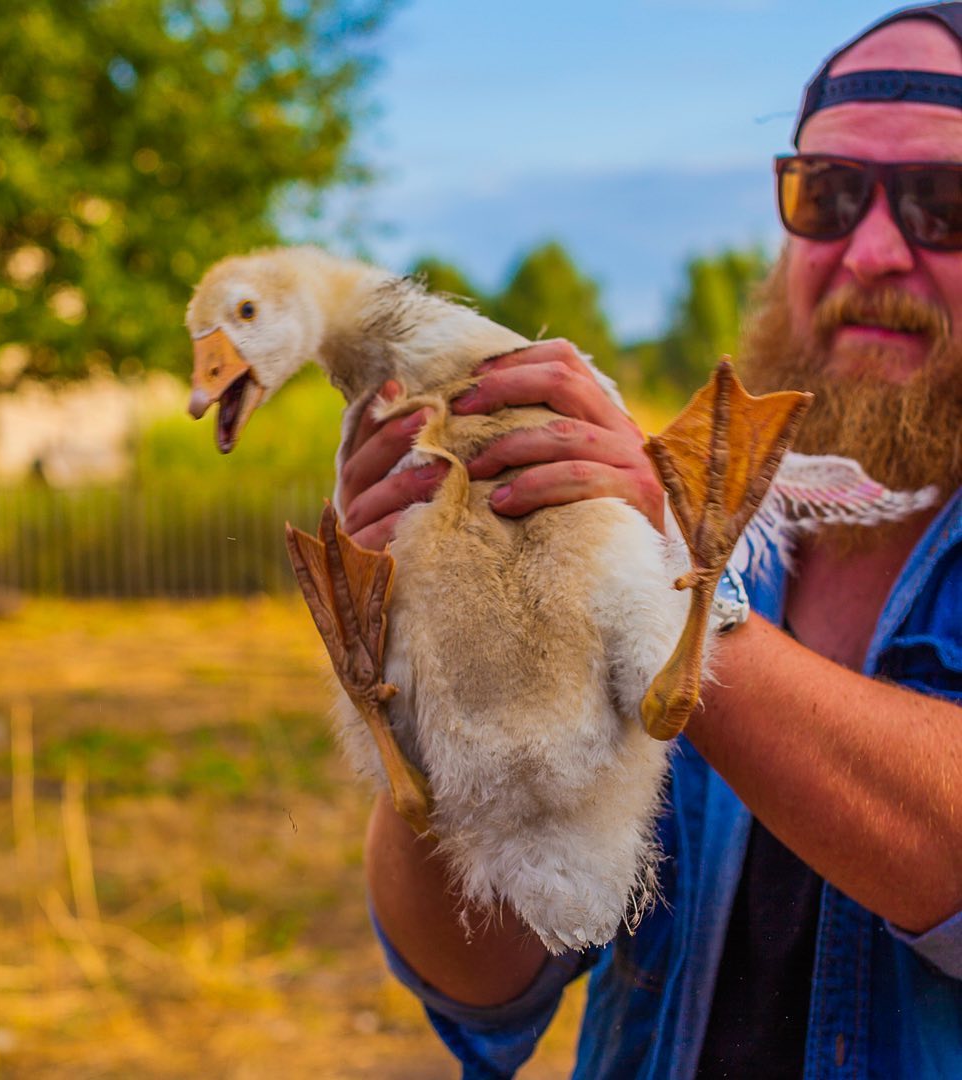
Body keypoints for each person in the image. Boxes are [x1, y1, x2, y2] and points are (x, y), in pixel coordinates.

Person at [339, 6, 962, 1077]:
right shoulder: (689, 508)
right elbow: (480, 978)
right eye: (827, 193)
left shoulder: (658, 543)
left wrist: (659, 597)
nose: (870, 248)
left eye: (945, 204)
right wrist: (440, 642)